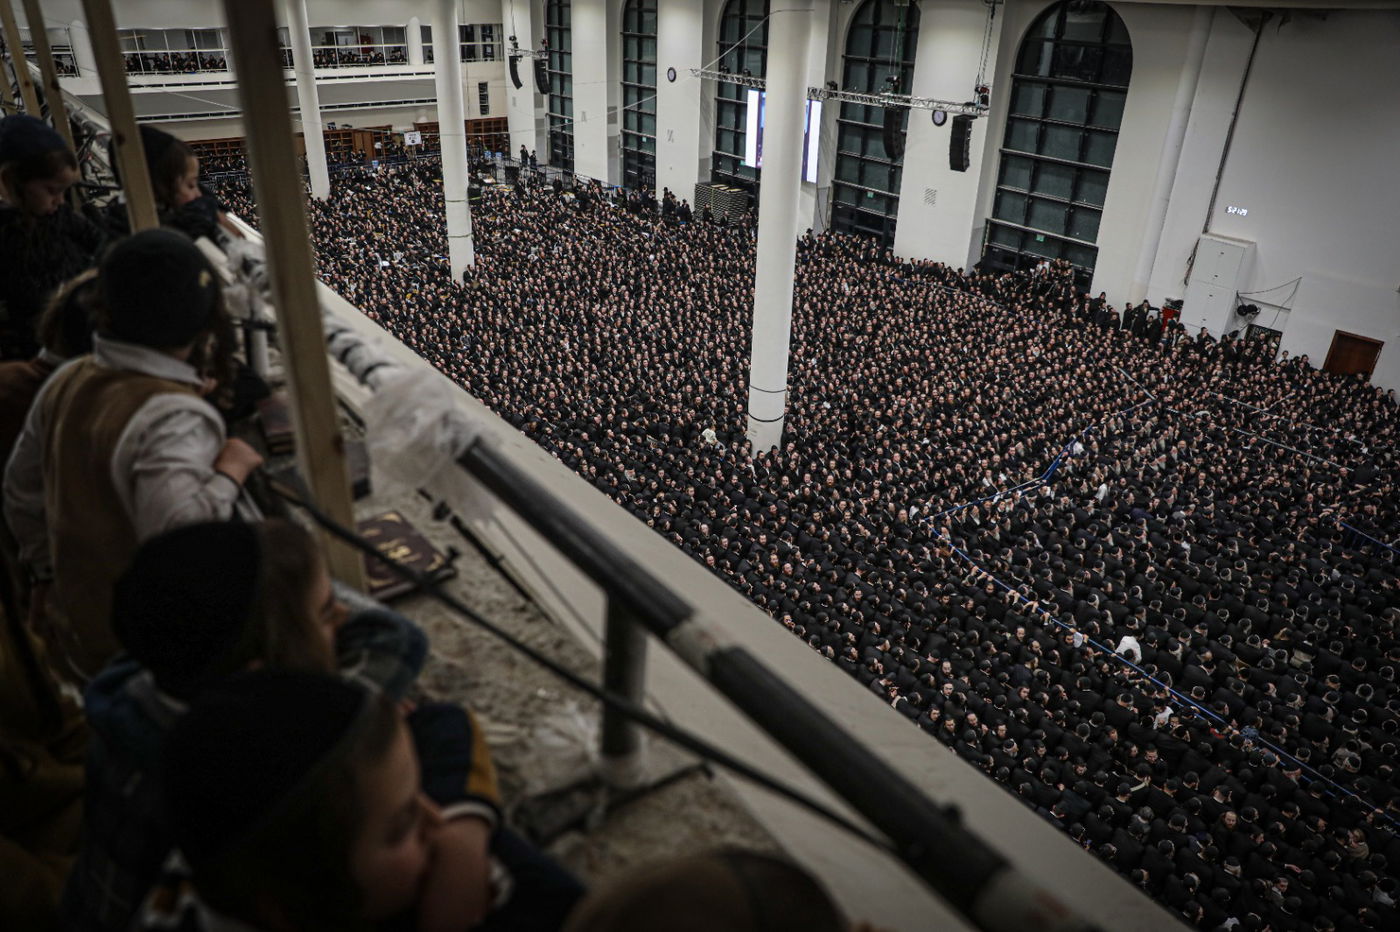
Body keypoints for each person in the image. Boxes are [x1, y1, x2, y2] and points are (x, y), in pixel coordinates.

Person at [62, 519, 430, 932]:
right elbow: (398, 638)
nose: (344, 615)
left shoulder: (142, 686)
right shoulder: (228, 781)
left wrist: (298, 593)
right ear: (260, 676)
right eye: (327, 614)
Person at [4, 228, 263, 679]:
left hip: (80, 622)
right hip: (157, 652)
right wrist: (231, 470)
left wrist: (45, 571)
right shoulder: (173, 414)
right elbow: (181, 536)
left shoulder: (70, 375)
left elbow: (21, 489)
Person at [139, 670, 584, 932]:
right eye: (400, 828)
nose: (436, 820)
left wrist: (463, 839)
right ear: (288, 909)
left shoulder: (237, 835)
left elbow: (439, 722)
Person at [0, 115, 105, 360]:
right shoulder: (6, 236)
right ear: (10, 182)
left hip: (83, 330)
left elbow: (100, 244)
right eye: (51, 191)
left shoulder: (62, 215)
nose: (60, 200)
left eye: (64, 191)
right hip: (36, 350)